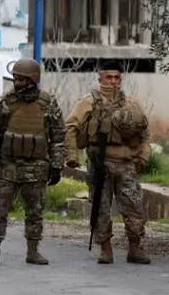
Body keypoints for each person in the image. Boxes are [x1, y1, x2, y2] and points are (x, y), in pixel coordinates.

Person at [64, 59, 152, 265]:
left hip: (126, 165)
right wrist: (71, 155)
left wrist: (143, 156)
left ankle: (135, 248)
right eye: (109, 77)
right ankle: (105, 248)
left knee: (134, 207)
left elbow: (144, 134)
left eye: (116, 78)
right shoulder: (88, 102)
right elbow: (71, 127)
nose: (113, 81)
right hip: (99, 163)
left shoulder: (132, 104)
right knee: (100, 207)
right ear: (100, 77)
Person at [0, 58, 66, 266]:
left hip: (37, 167)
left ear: (32, 80)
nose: (16, 82)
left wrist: (57, 165)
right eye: (15, 78)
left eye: (21, 79)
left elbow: (58, 135)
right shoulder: (6, 102)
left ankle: (33, 251)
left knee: (35, 212)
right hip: (8, 167)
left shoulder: (47, 103)